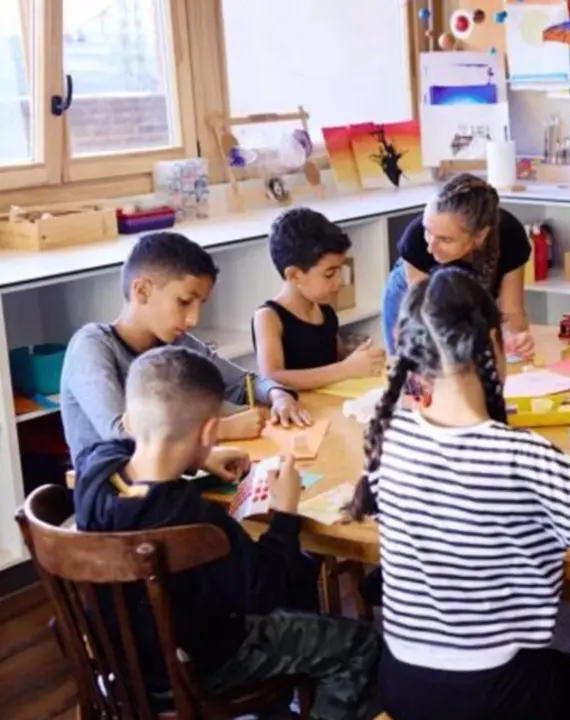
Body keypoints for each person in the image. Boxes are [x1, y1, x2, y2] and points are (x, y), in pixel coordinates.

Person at [349, 267, 570, 720]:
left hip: (401, 681)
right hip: (492, 693)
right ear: (493, 345)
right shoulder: (522, 455)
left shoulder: (390, 438)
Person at [74, 346, 379, 719]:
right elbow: (269, 590)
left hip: (120, 662)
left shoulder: (93, 472)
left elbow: (124, 450)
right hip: (205, 662)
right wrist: (285, 512)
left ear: (130, 420)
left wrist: (198, 455)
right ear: (210, 430)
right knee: (362, 645)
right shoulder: (197, 521)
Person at [61, 231, 309, 465]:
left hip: (174, 474)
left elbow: (244, 383)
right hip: (112, 495)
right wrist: (222, 429)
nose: (193, 319)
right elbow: (118, 434)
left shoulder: (177, 343)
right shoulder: (91, 345)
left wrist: (279, 396)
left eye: (200, 304)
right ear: (142, 290)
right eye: (184, 301)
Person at [381, 174, 534, 357]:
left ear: (480, 235)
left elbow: (512, 311)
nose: (431, 247)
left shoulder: (510, 236)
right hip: (413, 292)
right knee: (415, 364)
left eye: (446, 239)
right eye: (428, 232)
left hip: (467, 288)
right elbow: (425, 319)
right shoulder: (415, 240)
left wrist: (515, 338)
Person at [252, 208, 386, 390]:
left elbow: (335, 361)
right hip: (297, 413)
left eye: (340, 270)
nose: (340, 282)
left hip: (328, 406)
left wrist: (363, 359)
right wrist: (346, 369)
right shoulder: (269, 317)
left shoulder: (325, 311)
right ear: (294, 275)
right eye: (330, 274)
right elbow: (272, 377)